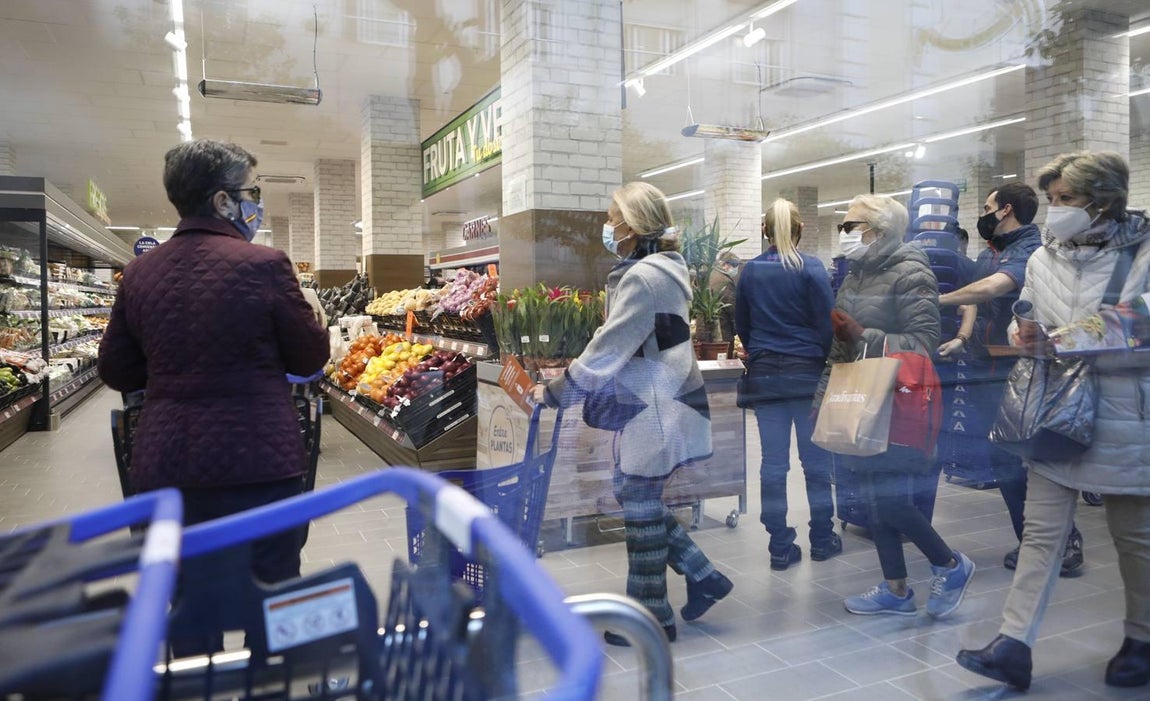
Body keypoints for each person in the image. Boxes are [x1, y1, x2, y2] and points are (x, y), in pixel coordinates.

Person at [98, 140, 330, 652]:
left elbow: (115, 369)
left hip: (168, 463)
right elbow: (309, 360)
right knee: (271, 592)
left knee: (187, 599)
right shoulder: (266, 265)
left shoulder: (138, 274)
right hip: (260, 461)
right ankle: (267, 680)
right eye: (253, 190)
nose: (257, 201)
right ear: (224, 201)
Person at [957, 151, 1150, 691]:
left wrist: (1062, 340)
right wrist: (1026, 330)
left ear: (1104, 199)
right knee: (1041, 532)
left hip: (1126, 414)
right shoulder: (1044, 257)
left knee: (1134, 535)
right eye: (1054, 200)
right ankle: (1012, 644)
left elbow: (1143, 323)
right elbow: (1028, 307)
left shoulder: (1143, 251)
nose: (1057, 210)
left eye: (1068, 199)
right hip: (1051, 410)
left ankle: (1142, 638)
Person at [533, 181, 732, 645]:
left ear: (635, 225)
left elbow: (611, 346)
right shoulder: (661, 270)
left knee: (640, 503)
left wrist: (559, 390)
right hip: (660, 399)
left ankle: (652, 617)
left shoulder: (643, 278)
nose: (608, 226)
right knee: (635, 494)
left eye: (613, 218)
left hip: (655, 407)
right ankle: (704, 577)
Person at [818, 194, 975, 618]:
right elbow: (840, 348)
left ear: (879, 231)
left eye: (851, 226)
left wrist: (864, 334)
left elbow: (923, 343)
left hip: (897, 401)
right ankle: (896, 589)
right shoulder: (857, 273)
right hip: (861, 400)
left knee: (888, 499)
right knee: (872, 500)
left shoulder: (911, 270)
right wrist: (824, 401)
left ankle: (950, 563)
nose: (844, 234)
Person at [938, 183, 1085, 577]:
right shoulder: (994, 251)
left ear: (1004, 210)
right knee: (1004, 460)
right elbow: (975, 297)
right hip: (990, 367)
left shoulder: (1028, 249)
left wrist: (934, 301)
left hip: (1021, 369)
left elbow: (992, 288)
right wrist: (962, 337)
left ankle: (1063, 542)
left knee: (1028, 458)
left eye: (987, 207)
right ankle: (1033, 542)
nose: (982, 214)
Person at [735, 198, 838, 570]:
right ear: (800, 229)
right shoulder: (811, 268)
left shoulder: (750, 272)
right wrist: (821, 357)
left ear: (764, 231)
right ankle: (823, 538)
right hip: (807, 372)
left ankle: (779, 543)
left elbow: (741, 324)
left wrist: (761, 350)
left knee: (773, 463)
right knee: (815, 462)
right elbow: (828, 324)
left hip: (766, 375)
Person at [709, 250, 742, 350]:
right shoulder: (724, 281)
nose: (736, 269)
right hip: (723, 330)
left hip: (712, 329)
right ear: (725, 264)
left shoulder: (712, 275)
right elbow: (732, 307)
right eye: (734, 265)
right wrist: (739, 329)